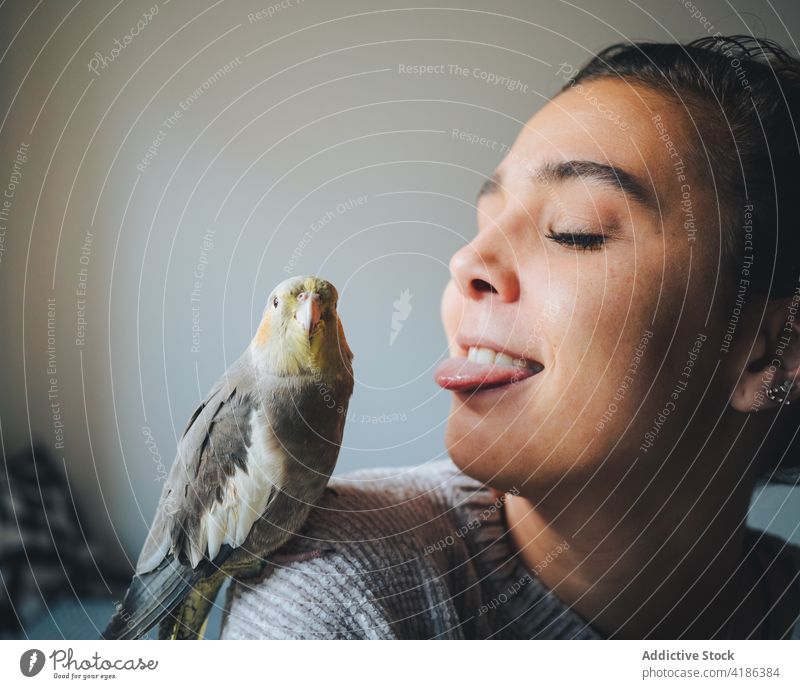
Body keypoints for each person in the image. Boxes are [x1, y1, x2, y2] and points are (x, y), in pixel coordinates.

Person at [220, 35, 800, 639]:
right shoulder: (338, 591)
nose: (468, 259)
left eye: (575, 231)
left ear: (768, 347)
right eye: (485, 221)